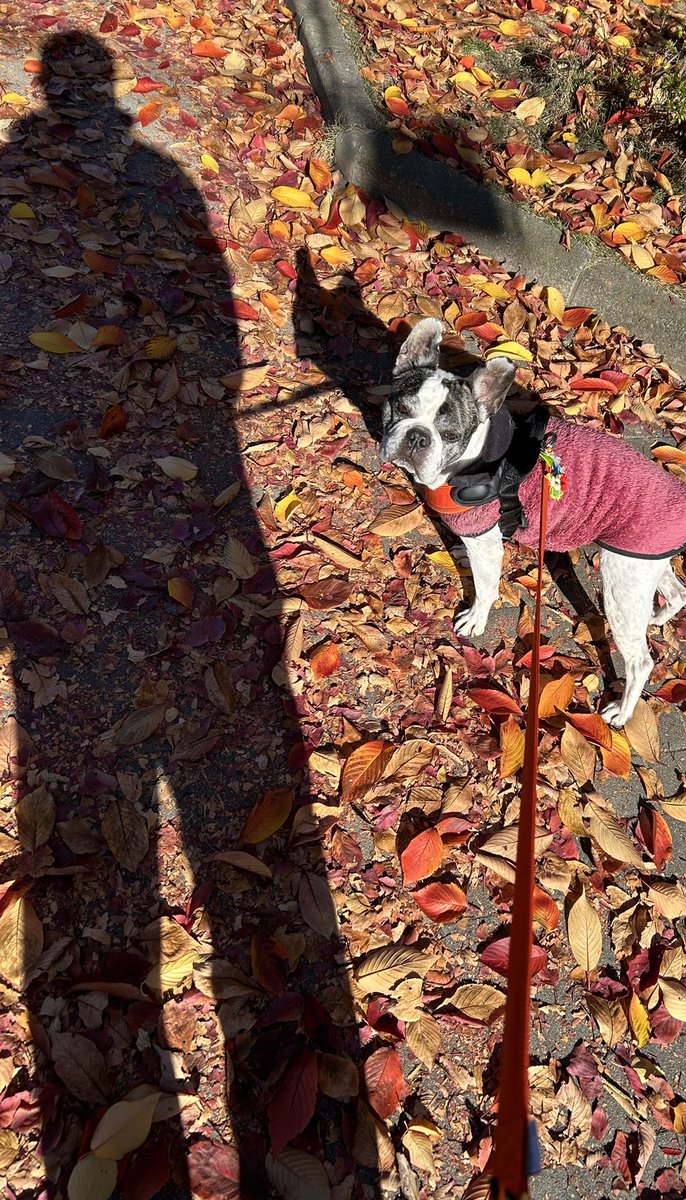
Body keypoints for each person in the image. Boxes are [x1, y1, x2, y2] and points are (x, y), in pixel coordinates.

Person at [0, 30, 377, 1197]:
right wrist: (203, 387)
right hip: (186, 511)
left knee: (114, 843)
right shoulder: (151, 180)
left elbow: (206, 318)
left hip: (119, 513)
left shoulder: (67, 169)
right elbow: (210, 323)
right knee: (264, 885)